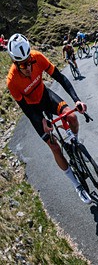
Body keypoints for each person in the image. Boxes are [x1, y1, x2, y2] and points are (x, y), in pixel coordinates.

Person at [5, 34, 92, 204]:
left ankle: (75, 144)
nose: (28, 67)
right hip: (33, 109)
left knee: (72, 117)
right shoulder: (12, 81)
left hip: (45, 96)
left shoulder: (37, 57)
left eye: (29, 61)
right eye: (23, 64)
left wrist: (77, 100)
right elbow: (26, 110)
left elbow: (60, 77)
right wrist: (41, 121)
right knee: (55, 147)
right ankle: (77, 186)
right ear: (15, 63)